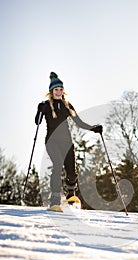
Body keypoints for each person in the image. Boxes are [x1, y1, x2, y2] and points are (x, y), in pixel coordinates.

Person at [35, 72, 102, 208]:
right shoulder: (46, 106)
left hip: (67, 142)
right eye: (56, 90)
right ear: (51, 91)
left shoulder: (67, 105)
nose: (59, 92)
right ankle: (55, 198)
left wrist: (93, 128)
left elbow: (79, 122)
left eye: (61, 89)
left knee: (72, 170)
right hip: (52, 142)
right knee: (58, 165)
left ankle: (71, 194)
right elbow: (37, 122)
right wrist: (39, 110)